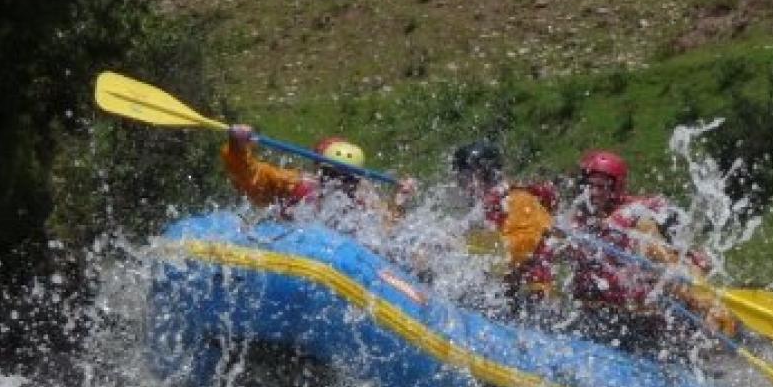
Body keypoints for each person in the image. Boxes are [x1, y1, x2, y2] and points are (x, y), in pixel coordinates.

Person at [524, 149, 738, 353]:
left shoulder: (637, 222)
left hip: (634, 321)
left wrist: (705, 302)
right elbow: (552, 256)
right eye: (591, 186)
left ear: (615, 188)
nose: (594, 193)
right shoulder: (580, 219)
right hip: (591, 312)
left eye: (602, 187)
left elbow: (671, 267)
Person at [221, 125, 413, 231]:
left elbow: (387, 230)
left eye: (349, 179)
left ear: (358, 179)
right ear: (319, 172)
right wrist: (237, 146)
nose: (340, 184)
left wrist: (400, 201)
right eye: (332, 175)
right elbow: (249, 176)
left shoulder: (365, 200)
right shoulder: (294, 184)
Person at [449, 141, 560, 301]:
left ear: (485, 173)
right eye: (460, 179)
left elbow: (514, 254)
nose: (463, 187)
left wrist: (460, 250)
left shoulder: (520, 201)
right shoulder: (486, 206)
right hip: (503, 293)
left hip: (531, 299)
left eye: (465, 178)